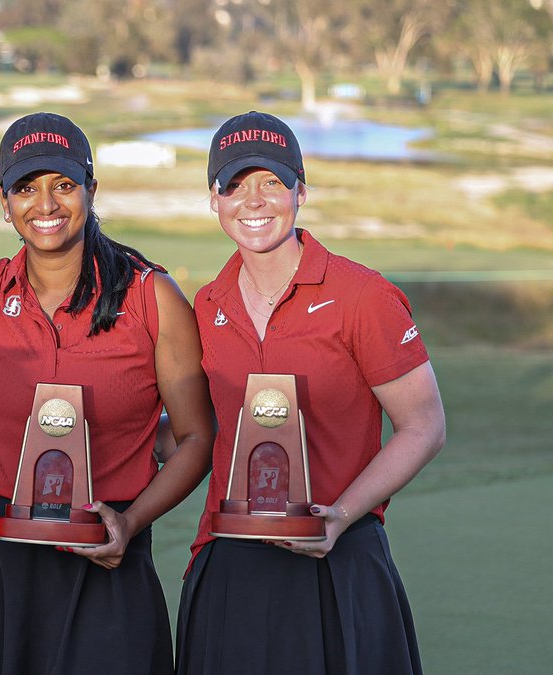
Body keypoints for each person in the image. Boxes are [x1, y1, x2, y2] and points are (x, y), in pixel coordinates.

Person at [0, 112, 215, 674]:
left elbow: (195, 437)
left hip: (106, 548)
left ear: (91, 190)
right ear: (3, 198)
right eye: (26, 187)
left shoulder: (151, 296)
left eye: (64, 185)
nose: (45, 204)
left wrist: (131, 522)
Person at [176, 111, 446, 674]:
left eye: (271, 182)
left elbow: (423, 426)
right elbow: (199, 429)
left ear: (301, 189)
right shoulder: (208, 304)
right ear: (213, 199)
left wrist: (340, 515)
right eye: (235, 184)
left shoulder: (362, 296)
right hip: (232, 557)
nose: (254, 200)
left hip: (337, 555)